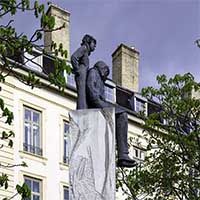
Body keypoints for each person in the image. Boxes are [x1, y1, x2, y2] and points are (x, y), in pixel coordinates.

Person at [86, 60, 136, 168]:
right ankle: (123, 154)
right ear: (102, 69)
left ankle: (122, 154)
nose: (105, 76)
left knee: (122, 113)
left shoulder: (99, 78)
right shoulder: (93, 72)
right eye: (106, 72)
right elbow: (92, 94)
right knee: (122, 114)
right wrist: (101, 104)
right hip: (96, 104)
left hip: (99, 103)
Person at [71, 34, 96, 109]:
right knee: (81, 93)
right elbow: (74, 57)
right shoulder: (84, 48)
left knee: (83, 93)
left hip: (84, 72)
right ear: (88, 42)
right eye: (93, 44)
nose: (94, 46)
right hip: (82, 72)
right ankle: (81, 108)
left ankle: (83, 107)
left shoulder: (86, 51)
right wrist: (77, 69)